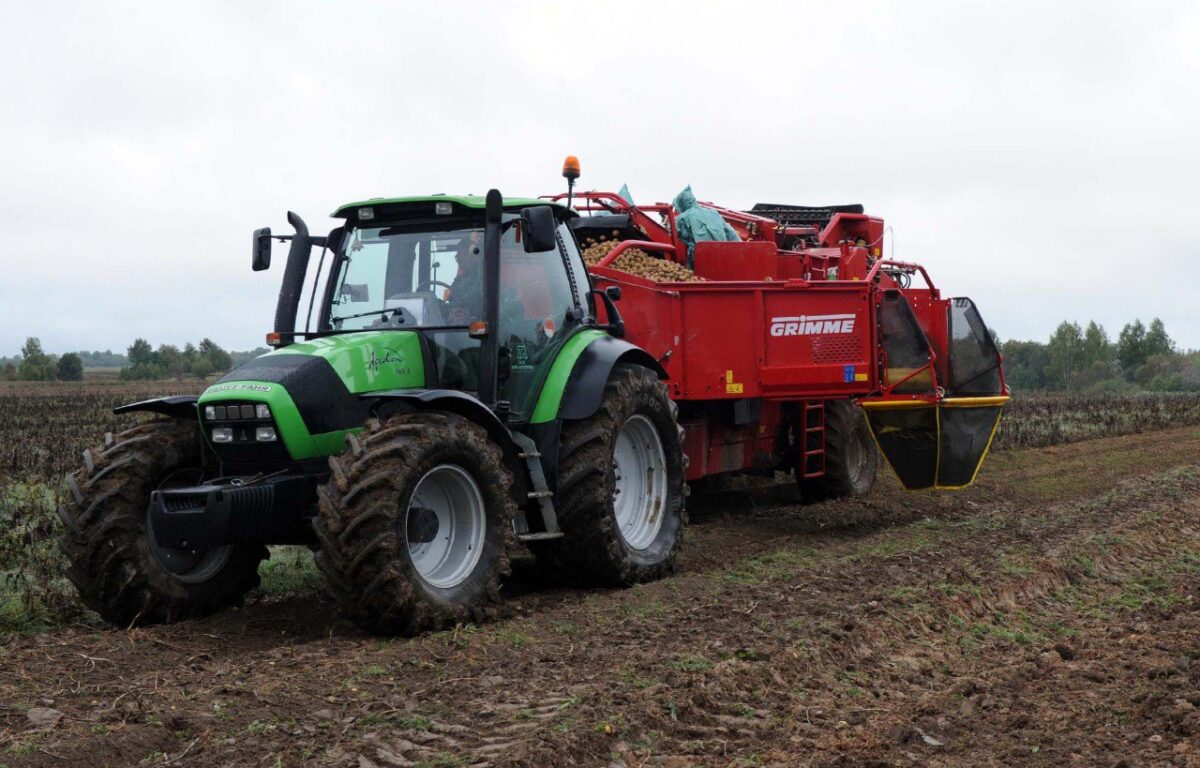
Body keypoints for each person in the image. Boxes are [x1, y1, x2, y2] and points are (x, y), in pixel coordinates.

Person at [672, 185, 740, 267]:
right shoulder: (713, 212)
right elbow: (731, 233)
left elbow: (677, 237)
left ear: (682, 204)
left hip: (701, 258)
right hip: (723, 255)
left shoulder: (681, 218)